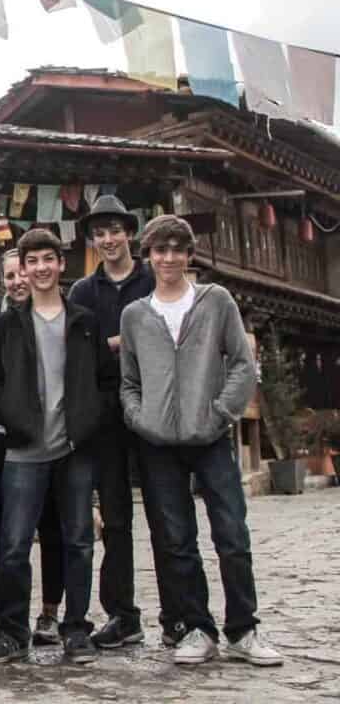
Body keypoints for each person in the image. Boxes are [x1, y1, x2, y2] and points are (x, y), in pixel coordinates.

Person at [120, 214, 282, 667]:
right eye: (160, 250)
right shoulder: (135, 315)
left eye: (177, 249)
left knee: (231, 533)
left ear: (189, 255)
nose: (169, 258)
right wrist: (139, 417)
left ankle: (244, 628)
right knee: (176, 539)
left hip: (209, 437)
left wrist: (219, 414)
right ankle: (197, 628)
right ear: (148, 256)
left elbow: (242, 366)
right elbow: (128, 380)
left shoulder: (216, 302)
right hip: (157, 442)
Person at [0, 229, 115, 666]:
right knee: (14, 543)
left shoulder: (84, 321)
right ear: (23, 269)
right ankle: (13, 631)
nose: (39, 268)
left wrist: (89, 419)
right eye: (31, 261)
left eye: (47, 259)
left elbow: (106, 380)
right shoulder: (8, 323)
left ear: (61, 264)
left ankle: (75, 628)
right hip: (23, 448)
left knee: (78, 541)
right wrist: (9, 414)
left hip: (73, 447)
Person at [68, 195, 154, 651]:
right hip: (106, 415)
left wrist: (117, 340)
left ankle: (183, 617)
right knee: (116, 519)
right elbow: (79, 351)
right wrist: (122, 341)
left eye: (114, 230)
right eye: (99, 233)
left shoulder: (153, 279)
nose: (108, 240)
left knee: (166, 515)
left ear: (129, 232)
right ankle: (124, 615)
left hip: (156, 409)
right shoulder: (83, 292)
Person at [0, 251, 66, 644]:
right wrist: (7, 411)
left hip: (51, 437)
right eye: (9, 274)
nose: (17, 281)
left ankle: (49, 611)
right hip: (2, 437)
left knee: (52, 525)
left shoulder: (56, 318)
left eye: (22, 273)